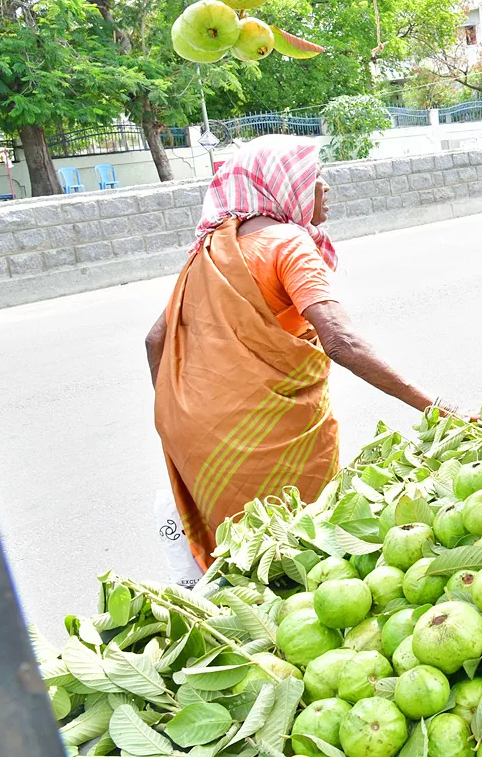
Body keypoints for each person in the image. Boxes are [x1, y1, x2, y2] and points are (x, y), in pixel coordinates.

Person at [145, 136, 457, 567]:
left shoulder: (211, 247)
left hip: (197, 435)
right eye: (312, 176)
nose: (325, 186)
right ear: (282, 185)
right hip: (265, 432)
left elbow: (155, 340)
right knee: (299, 549)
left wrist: (177, 415)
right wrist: (432, 405)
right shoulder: (288, 242)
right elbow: (341, 341)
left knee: (243, 556)